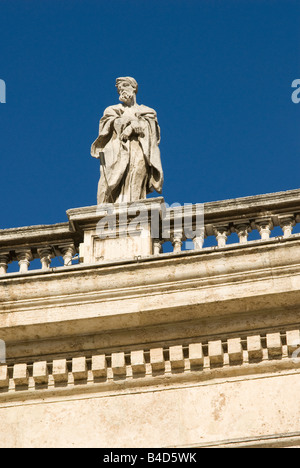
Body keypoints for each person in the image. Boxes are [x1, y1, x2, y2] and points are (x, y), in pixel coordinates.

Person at [91, 77, 163, 204]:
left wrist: (136, 126)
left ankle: (134, 206)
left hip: (140, 149)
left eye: (124, 86)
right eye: (119, 88)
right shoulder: (112, 110)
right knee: (113, 179)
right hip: (117, 151)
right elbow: (107, 128)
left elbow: (152, 134)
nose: (121, 90)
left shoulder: (148, 111)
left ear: (134, 87)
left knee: (137, 173)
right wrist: (131, 123)